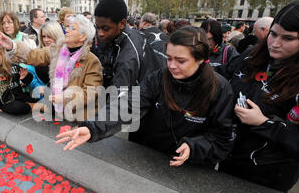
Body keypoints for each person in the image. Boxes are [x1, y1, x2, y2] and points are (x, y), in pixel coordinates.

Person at [56, 26, 235, 168]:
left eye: (180, 61)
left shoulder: (220, 89)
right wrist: (93, 127)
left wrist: (194, 146)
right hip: (147, 156)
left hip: (188, 167)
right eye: (169, 58)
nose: (172, 66)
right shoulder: (159, 77)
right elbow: (128, 105)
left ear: (201, 59)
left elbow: (221, 138)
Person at [218, 0, 299, 193]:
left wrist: (264, 124)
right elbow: (223, 76)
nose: (275, 44)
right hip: (228, 160)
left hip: (269, 178)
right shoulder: (251, 55)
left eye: (288, 38)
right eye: (273, 34)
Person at [0, 14, 103, 121]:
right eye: (67, 27)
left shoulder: (92, 61)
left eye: (72, 28)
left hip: (79, 116)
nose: (67, 30)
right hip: (56, 108)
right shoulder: (56, 49)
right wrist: (12, 46)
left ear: (83, 36)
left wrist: (65, 98)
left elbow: (91, 93)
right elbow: (33, 56)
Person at [91, 0, 164, 91]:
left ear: (121, 24)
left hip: (137, 100)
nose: (100, 33)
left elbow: (120, 99)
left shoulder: (128, 55)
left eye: (105, 28)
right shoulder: (113, 37)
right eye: (97, 27)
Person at [0, 39, 38, 117]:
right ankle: (32, 107)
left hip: (20, 96)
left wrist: (26, 76)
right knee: (17, 108)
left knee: (36, 98)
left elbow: (29, 80)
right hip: (5, 103)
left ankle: (33, 104)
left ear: (3, 54)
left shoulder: (13, 66)